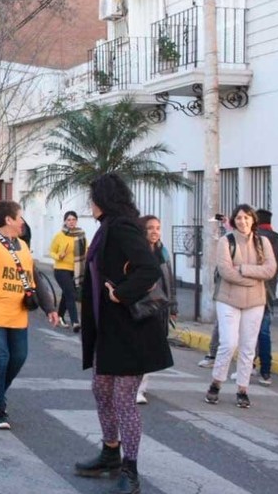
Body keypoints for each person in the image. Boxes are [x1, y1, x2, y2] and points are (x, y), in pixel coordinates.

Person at [73, 174, 172, 494]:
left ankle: (131, 469)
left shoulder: (122, 227)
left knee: (123, 399)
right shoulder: (107, 227)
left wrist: (121, 294)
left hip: (131, 330)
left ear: (103, 200)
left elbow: (149, 268)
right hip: (109, 330)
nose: (90, 204)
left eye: (92, 198)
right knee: (101, 390)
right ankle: (110, 452)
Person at [0, 200, 58, 429]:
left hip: (16, 314)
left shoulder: (23, 246)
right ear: (9, 219)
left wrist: (50, 308)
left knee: (18, 357)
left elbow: (34, 278)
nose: (22, 222)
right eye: (20, 217)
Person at [204, 204, 276, 409]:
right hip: (228, 300)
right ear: (233, 221)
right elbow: (226, 271)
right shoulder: (226, 241)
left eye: (246, 218)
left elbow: (270, 269)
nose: (242, 222)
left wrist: (244, 269)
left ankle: (242, 389)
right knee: (228, 343)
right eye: (238, 218)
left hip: (255, 301)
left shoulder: (263, 242)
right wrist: (253, 278)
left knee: (248, 346)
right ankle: (216, 382)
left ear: (253, 220)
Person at [134, 215, 177, 404]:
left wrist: (173, 307)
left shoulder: (163, 253)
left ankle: (141, 386)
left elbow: (170, 281)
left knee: (151, 349)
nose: (155, 231)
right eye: (150, 228)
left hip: (159, 307)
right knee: (140, 347)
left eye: (158, 228)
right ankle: (135, 388)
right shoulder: (137, 252)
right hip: (141, 306)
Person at [254, 208, 278, 386]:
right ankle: (266, 371)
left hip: (251, 291)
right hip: (270, 292)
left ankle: (249, 365)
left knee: (249, 332)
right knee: (264, 332)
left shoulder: (253, 239)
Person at [50, 210, 87, 332]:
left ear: (76, 221)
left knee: (67, 293)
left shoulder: (81, 235)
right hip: (61, 269)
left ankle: (60, 316)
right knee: (71, 293)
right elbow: (51, 251)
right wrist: (58, 256)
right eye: (69, 220)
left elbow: (86, 250)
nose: (71, 222)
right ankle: (75, 322)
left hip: (76, 270)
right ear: (65, 221)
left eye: (73, 219)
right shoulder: (60, 236)